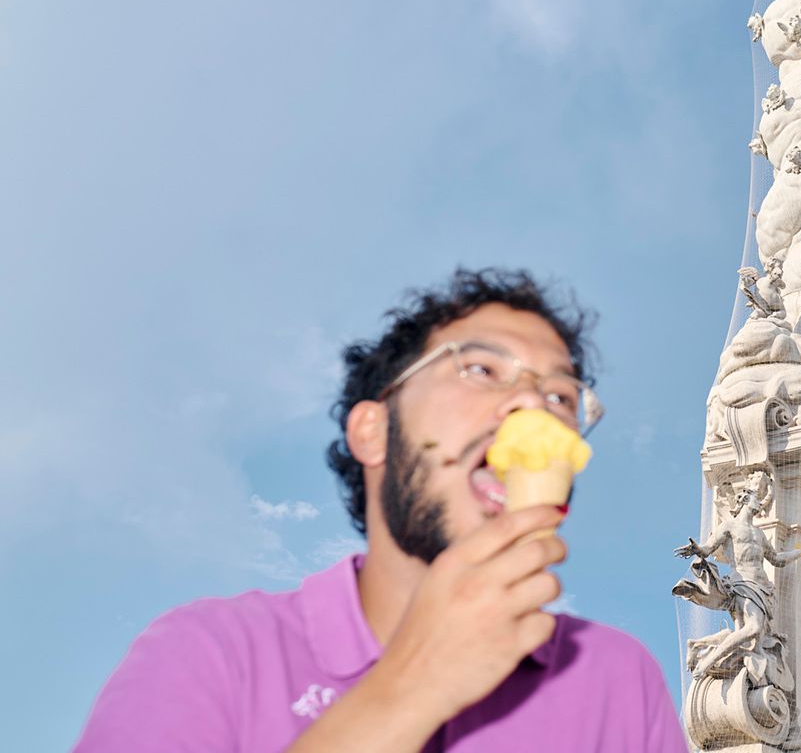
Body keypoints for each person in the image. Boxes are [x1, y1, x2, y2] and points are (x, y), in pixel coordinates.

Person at [76, 268, 689, 753]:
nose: (533, 405)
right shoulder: (210, 654)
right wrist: (412, 687)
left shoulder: (618, 679)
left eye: (560, 394)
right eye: (482, 368)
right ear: (373, 431)